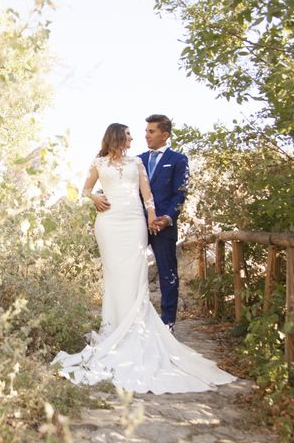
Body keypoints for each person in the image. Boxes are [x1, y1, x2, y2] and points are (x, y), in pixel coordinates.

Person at [51, 123, 234, 394]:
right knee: (114, 274)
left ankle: (137, 326)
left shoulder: (137, 162)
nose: (133, 138)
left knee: (135, 272)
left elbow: (147, 196)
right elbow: (85, 189)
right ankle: (113, 326)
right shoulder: (98, 162)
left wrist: (151, 220)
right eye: (128, 135)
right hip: (109, 222)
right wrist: (95, 198)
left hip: (135, 222)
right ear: (116, 137)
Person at [139, 114, 188, 333]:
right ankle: (137, 318)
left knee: (168, 273)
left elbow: (180, 194)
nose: (146, 135)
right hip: (136, 224)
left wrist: (167, 218)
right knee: (134, 272)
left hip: (163, 227)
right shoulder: (137, 159)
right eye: (146, 130)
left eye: (151, 131)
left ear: (165, 135)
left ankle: (168, 322)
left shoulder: (178, 160)